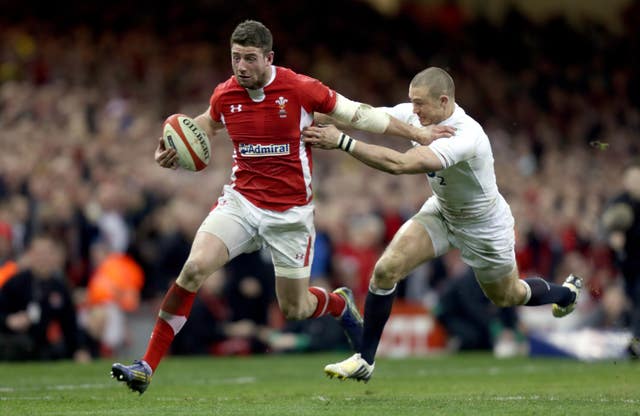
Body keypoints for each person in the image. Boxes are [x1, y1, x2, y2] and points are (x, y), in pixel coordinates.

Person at [110, 21, 454, 394]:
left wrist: (418, 134)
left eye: (250, 59)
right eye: (235, 58)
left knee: (296, 308)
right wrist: (173, 146)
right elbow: (207, 124)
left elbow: (360, 114)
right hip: (241, 203)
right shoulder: (226, 94)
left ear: (269, 58)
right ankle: (145, 365)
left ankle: (338, 305)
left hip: (290, 216)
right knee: (193, 269)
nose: (241, 67)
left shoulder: (300, 89)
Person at [302, 66, 582, 382]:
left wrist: (342, 142)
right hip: (443, 211)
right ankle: (365, 360)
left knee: (508, 296)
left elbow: (402, 164)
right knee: (385, 271)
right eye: (412, 101)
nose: (413, 109)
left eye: (420, 103)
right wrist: (312, 115)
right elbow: (363, 115)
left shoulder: (465, 134)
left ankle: (565, 294)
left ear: (444, 101)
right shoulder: (415, 116)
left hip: (484, 225)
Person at [0, 235, 90, 362]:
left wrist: (79, 349)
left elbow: (70, 324)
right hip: (14, 341)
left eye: (47, 254)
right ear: (30, 255)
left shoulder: (59, 287)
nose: (43, 258)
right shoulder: (15, 283)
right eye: (39, 254)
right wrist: (9, 321)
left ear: (54, 257)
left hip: (42, 345)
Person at [601, 159, 640, 358]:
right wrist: (613, 234)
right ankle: (634, 341)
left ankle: (635, 343)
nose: (635, 182)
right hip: (628, 265)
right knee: (632, 303)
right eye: (631, 178)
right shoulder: (619, 203)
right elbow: (606, 226)